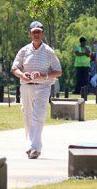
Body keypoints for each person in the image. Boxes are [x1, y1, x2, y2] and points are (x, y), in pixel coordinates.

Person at [11, 21, 62, 159]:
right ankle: (32, 146)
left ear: (43, 33)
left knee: (38, 116)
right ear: (30, 34)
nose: (36, 35)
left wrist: (44, 76)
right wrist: (22, 75)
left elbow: (58, 71)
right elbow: (15, 67)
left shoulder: (49, 52)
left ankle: (33, 147)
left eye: (39, 32)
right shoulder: (24, 50)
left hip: (43, 87)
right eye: (34, 32)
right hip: (26, 86)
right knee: (27, 116)